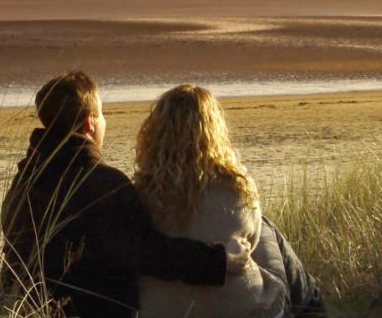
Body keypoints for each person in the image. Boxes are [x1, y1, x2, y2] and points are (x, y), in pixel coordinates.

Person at [0, 72, 251, 318]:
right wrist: (220, 260)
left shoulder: (24, 179)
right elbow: (151, 253)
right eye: (103, 113)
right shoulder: (104, 184)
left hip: (26, 305)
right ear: (90, 121)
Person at [134, 84, 323, 318]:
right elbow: (251, 241)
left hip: (162, 312)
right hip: (250, 311)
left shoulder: (140, 193)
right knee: (265, 228)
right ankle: (313, 305)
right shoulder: (235, 185)